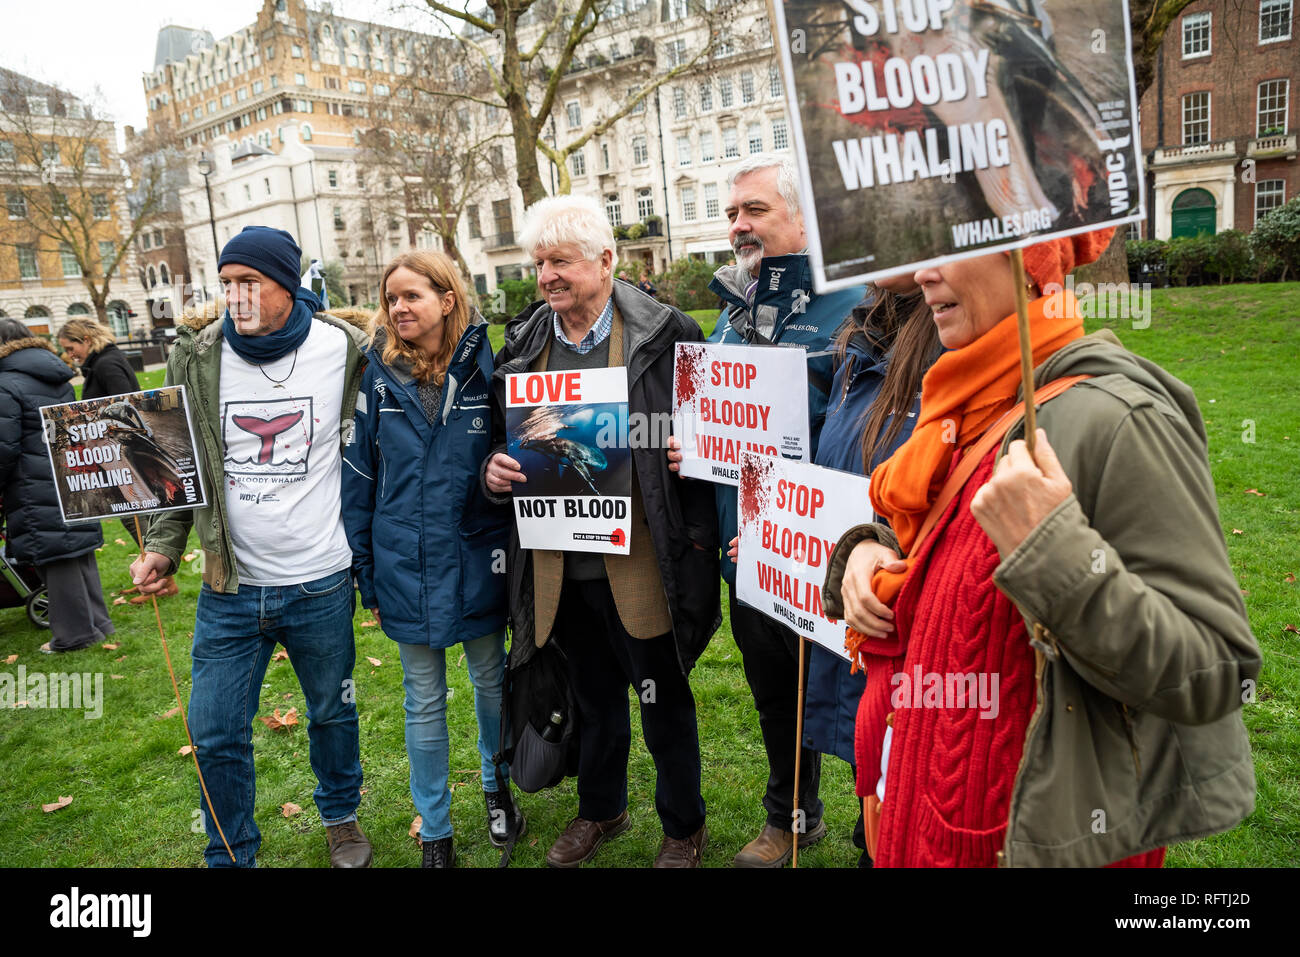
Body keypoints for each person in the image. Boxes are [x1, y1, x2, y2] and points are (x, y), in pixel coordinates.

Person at [824, 231, 1260, 866]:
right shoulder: (963, 401)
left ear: (1029, 258)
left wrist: (1054, 550)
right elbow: (950, 551)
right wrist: (869, 545)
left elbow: (1214, 673)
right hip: (918, 815)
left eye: (950, 246)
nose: (923, 274)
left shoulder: (1117, 418)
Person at [482, 195, 719, 868]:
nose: (547, 275)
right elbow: (506, 445)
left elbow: (708, 435)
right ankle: (601, 809)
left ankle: (683, 825)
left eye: (561, 260)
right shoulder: (527, 339)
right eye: (539, 263)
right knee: (591, 697)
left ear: (607, 260)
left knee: (661, 697)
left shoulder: (666, 332)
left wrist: (691, 452)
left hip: (639, 557)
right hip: (560, 563)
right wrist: (492, 471)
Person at [129, 226, 373, 868]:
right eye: (227, 282)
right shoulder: (198, 355)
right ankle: (231, 851)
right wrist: (161, 545)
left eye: (251, 283)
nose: (235, 296)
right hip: (228, 586)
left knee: (331, 712)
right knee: (214, 734)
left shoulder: (345, 349)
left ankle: (341, 816)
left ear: (288, 285)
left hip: (320, 578)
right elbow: (177, 458)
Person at [697, 152, 869, 867]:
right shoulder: (730, 317)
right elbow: (715, 423)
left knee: (857, 695)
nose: (739, 225)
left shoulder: (856, 308)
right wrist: (691, 444)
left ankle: (876, 818)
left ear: (803, 219)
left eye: (755, 211)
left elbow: (866, 425)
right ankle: (791, 815)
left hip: (828, 554)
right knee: (775, 695)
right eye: (734, 213)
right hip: (748, 559)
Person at [341, 251, 524, 868]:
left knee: (491, 682)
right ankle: (437, 826)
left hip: (478, 554)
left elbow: (515, 446)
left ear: (447, 300)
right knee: (422, 698)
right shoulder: (376, 375)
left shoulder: (487, 368)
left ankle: (499, 790)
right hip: (404, 561)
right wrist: (365, 564)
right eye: (391, 298)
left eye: (411, 296)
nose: (398, 309)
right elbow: (359, 476)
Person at [799, 275, 941, 867]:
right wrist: (781, 528)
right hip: (865, 624)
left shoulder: (949, 348)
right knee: (877, 789)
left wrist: (879, 544)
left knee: (907, 799)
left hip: (920, 648)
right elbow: (836, 464)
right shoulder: (862, 332)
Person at [0, 318, 112, 652]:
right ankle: (99, 623)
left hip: (33, 481)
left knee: (56, 559)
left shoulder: (5, 383)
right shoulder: (54, 375)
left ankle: (74, 635)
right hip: (69, 474)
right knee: (78, 553)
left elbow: (4, 446)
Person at [58, 317, 179, 601]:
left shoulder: (106, 364)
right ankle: (151, 578)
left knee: (136, 515)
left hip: (122, 453)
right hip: (114, 451)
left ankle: (161, 581)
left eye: (71, 346)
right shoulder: (101, 362)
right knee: (132, 517)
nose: (69, 353)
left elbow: (125, 402)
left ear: (85, 339)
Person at [58, 317, 139, 400]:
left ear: (87, 340)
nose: (69, 355)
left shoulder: (106, 364)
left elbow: (125, 403)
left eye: (70, 349)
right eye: (66, 350)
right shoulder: (103, 360)